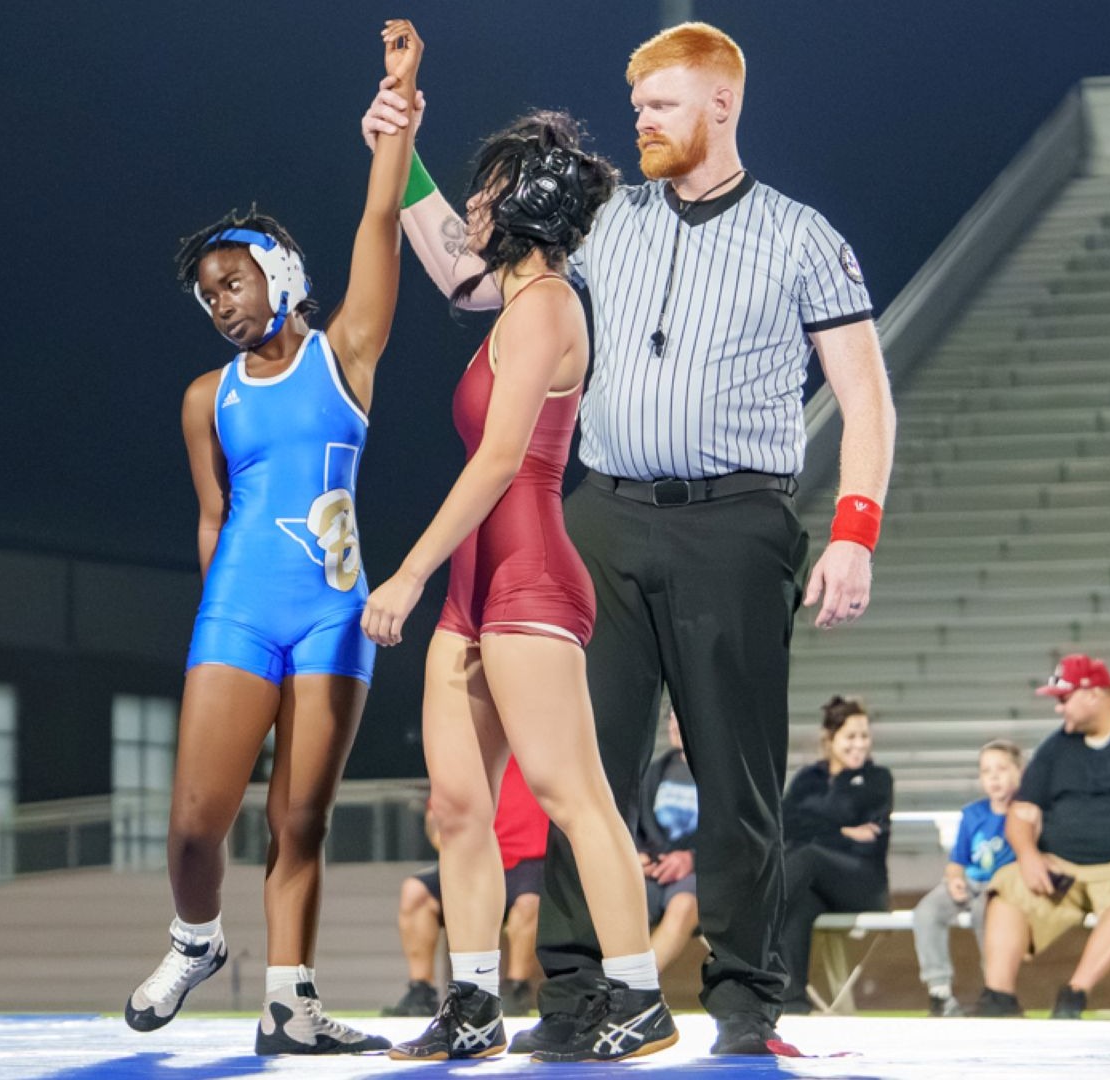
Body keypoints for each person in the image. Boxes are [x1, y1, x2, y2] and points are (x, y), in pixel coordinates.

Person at [362, 20, 896, 1055]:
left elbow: (866, 402)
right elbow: (468, 272)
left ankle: (743, 1007)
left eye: (661, 105)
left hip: (737, 523)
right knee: (581, 769)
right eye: (639, 105)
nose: (641, 122)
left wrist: (853, 531)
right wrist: (406, 149)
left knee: (736, 776)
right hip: (600, 511)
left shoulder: (803, 237)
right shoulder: (606, 225)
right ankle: (575, 999)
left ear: (721, 105)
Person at [122, 20, 422, 1056]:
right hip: (241, 610)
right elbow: (213, 519)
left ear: (279, 270)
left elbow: (382, 218)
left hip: (332, 614)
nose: (221, 305)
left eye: (232, 282)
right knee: (195, 823)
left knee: (298, 822)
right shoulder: (206, 398)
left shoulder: (346, 356)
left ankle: (289, 1002)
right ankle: (195, 938)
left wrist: (398, 110)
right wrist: (221, 619)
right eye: (207, 297)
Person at [357, 103, 678, 1063]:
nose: (471, 205)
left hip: (529, 573)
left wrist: (407, 574)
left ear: (526, 207)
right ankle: (473, 1006)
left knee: (570, 793)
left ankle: (640, 1002)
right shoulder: (512, 292)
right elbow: (441, 251)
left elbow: (500, 461)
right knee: (456, 806)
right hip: (475, 582)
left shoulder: (548, 307)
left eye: (488, 190)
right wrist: (398, 134)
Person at [970, 655, 1110, 1020]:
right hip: (1066, 869)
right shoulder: (1056, 747)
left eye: (1064, 698)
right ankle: (998, 998)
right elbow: (1021, 812)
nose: (1059, 709)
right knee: (1007, 885)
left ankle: (1074, 996)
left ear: (1093, 694)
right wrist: (1028, 855)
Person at [382, 757, 548, 1018]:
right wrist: (453, 852)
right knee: (415, 891)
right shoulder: (472, 756)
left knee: (530, 901)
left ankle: (515, 989)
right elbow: (435, 816)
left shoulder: (537, 754)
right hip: (474, 860)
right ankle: (420, 991)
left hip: (526, 862)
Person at [775, 697, 893, 1014]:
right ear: (830, 739)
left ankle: (756, 914)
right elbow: (785, 825)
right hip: (817, 886)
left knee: (806, 857)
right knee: (798, 907)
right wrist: (841, 831)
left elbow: (870, 842)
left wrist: (814, 829)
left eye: (864, 736)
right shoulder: (807, 779)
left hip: (863, 884)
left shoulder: (878, 779)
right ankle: (793, 1003)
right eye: (851, 737)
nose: (860, 745)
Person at [911, 740, 1023, 1016]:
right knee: (926, 911)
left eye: (1002, 769)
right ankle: (940, 992)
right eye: (987, 771)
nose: (994, 777)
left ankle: (996, 990)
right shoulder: (973, 814)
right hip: (971, 881)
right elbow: (957, 861)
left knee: (985, 913)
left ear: (1019, 772)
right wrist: (954, 880)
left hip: (1001, 885)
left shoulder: (1025, 812)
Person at [636, 707, 700, 973]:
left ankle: (639, 986)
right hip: (653, 867)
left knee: (683, 904)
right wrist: (637, 855)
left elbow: (736, 833)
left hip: (702, 872)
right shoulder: (654, 771)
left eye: (682, 714)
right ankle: (608, 986)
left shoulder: (727, 775)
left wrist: (693, 857)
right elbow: (631, 821)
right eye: (671, 716)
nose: (674, 724)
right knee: (624, 900)